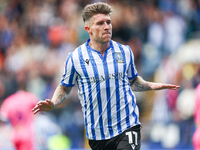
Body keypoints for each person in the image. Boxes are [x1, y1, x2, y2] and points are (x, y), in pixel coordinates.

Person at [32, 2, 180, 150]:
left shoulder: (125, 51)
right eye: (100, 23)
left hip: (127, 127)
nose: (107, 26)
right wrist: (53, 102)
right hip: (98, 134)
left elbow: (133, 81)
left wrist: (151, 85)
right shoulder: (76, 58)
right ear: (88, 29)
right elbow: (64, 88)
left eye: (108, 22)